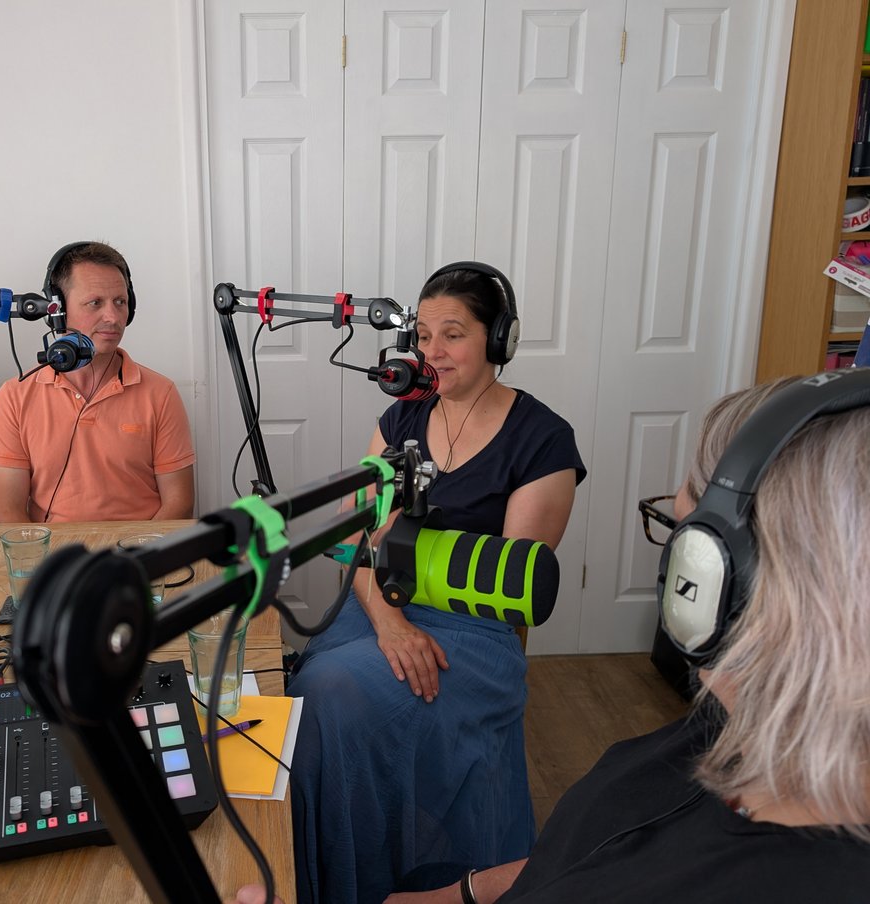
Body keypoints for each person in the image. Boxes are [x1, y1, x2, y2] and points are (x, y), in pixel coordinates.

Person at [367, 374, 870, 904]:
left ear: (719, 580)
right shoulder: (721, 734)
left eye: (679, 531)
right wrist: (461, 894)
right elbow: (588, 855)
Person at [285, 263, 587, 904]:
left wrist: (397, 551)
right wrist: (390, 621)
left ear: (497, 339)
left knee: (331, 691)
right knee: (310, 696)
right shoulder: (401, 418)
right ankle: (323, 882)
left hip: (474, 632)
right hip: (378, 607)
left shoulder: (543, 440)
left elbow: (509, 582)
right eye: (423, 336)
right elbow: (354, 542)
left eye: (453, 334)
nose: (433, 352)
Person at [0, 241, 195, 522]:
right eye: (95, 303)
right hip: (53, 548)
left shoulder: (161, 393)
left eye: (120, 302)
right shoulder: (14, 396)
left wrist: (140, 550)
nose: (112, 317)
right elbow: (7, 510)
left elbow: (179, 504)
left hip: (140, 546)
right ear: (58, 310)